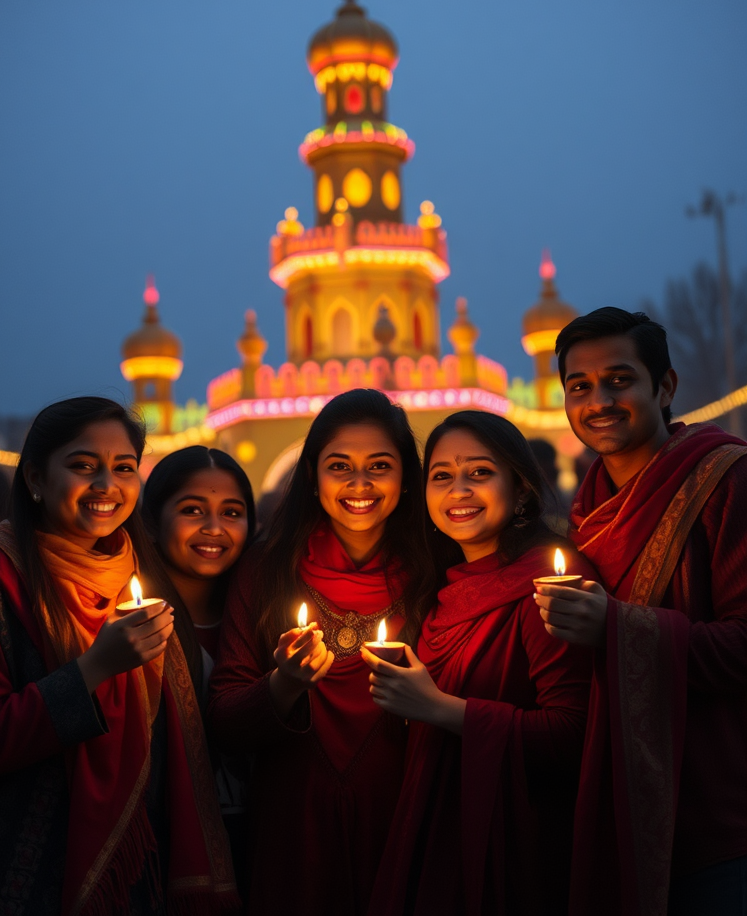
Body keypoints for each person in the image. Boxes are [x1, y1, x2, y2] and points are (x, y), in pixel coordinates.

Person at [0, 397, 238, 916]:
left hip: (138, 867)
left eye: (123, 468)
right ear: (34, 477)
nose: (106, 486)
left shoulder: (139, 574)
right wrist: (95, 668)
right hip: (21, 866)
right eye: (83, 466)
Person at [533, 307, 747, 916]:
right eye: (580, 386)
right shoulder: (589, 511)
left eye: (619, 379)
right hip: (625, 805)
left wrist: (617, 628)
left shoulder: (725, 478)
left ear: (666, 387)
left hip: (718, 816)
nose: (598, 400)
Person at [207, 388, 434, 916]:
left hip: (407, 814)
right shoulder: (268, 570)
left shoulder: (436, 571)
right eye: (340, 466)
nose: (360, 485)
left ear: (406, 477)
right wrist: (282, 685)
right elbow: (222, 719)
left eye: (380, 465)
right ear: (311, 475)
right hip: (293, 824)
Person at [363, 410, 594, 916]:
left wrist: (440, 708)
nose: (458, 490)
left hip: (515, 836)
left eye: (480, 473)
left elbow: (574, 732)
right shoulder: (440, 587)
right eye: (441, 476)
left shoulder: (551, 585)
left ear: (522, 489)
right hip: (437, 819)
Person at [142, 445, 256, 895]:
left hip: (260, 843)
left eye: (232, 512)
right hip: (162, 850)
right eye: (193, 510)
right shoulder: (131, 628)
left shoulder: (263, 622)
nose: (215, 529)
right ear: (151, 521)